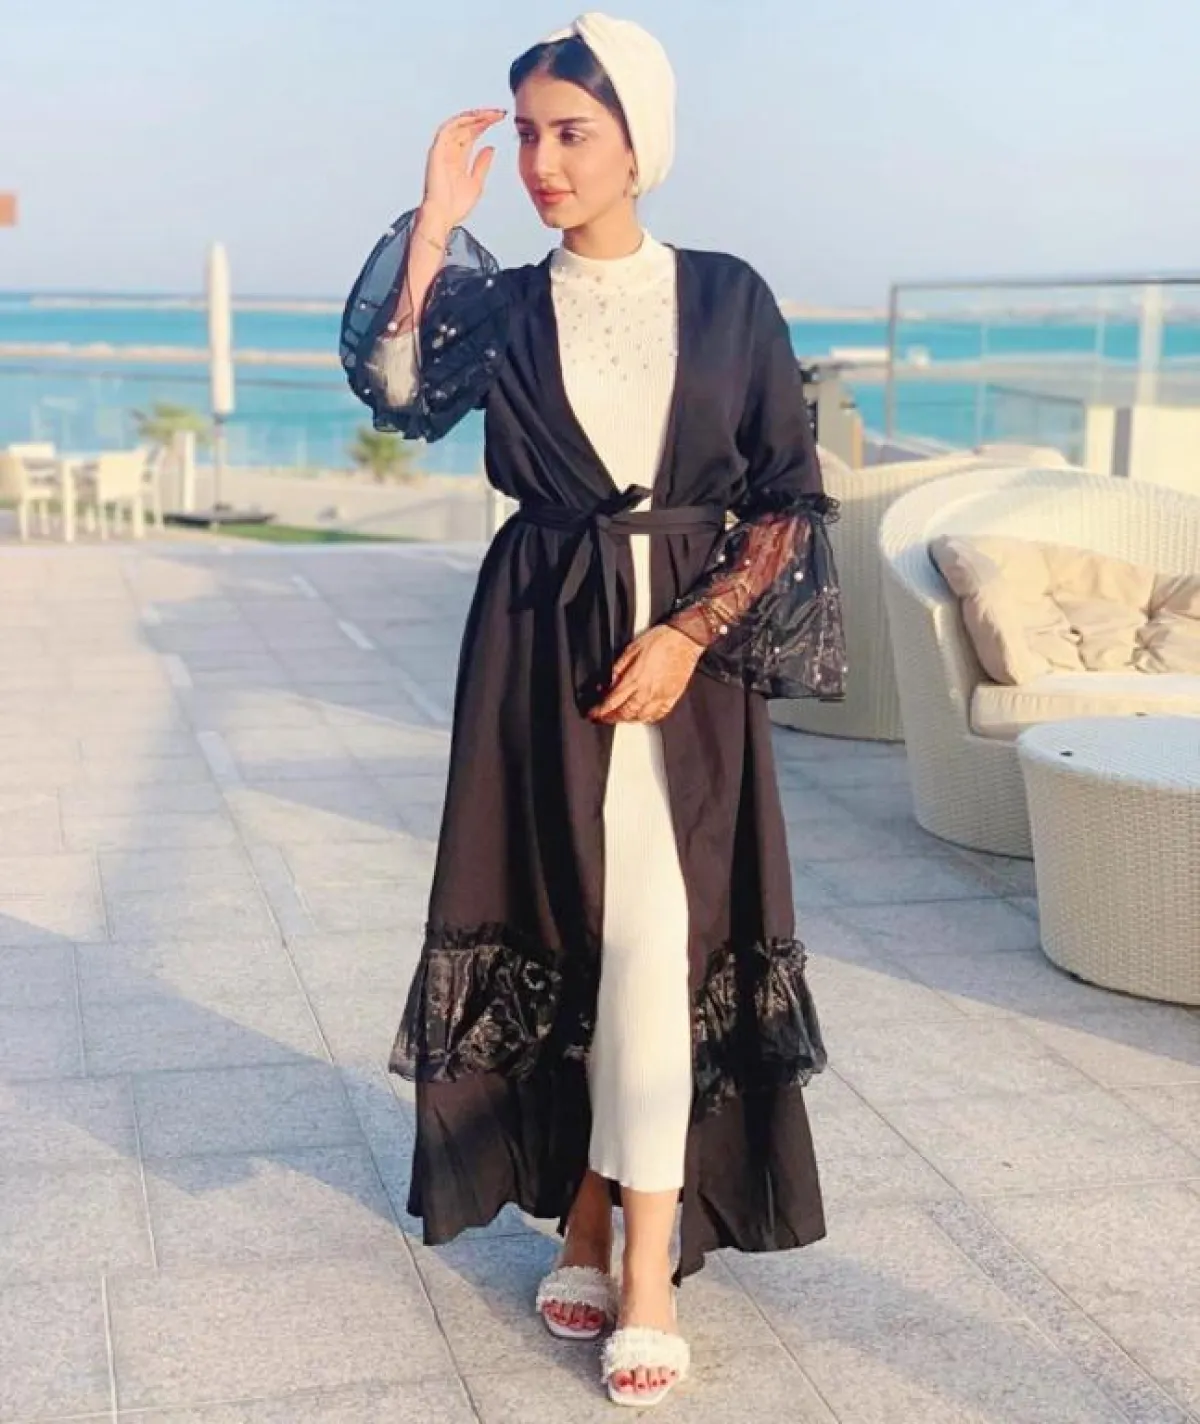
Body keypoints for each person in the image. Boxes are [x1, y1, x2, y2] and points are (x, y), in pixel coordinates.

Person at [341, 12, 846, 1409]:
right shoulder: (507, 304)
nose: (545, 163)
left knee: (661, 942)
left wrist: (692, 631)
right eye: (528, 136)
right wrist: (434, 228)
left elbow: (788, 501)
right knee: (571, 931)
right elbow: (397, 393)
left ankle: (645, 1264)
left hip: (684, 656)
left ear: (638, 142)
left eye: (573, 132)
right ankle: (580, 1211)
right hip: (538, 640)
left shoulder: (728, 296)